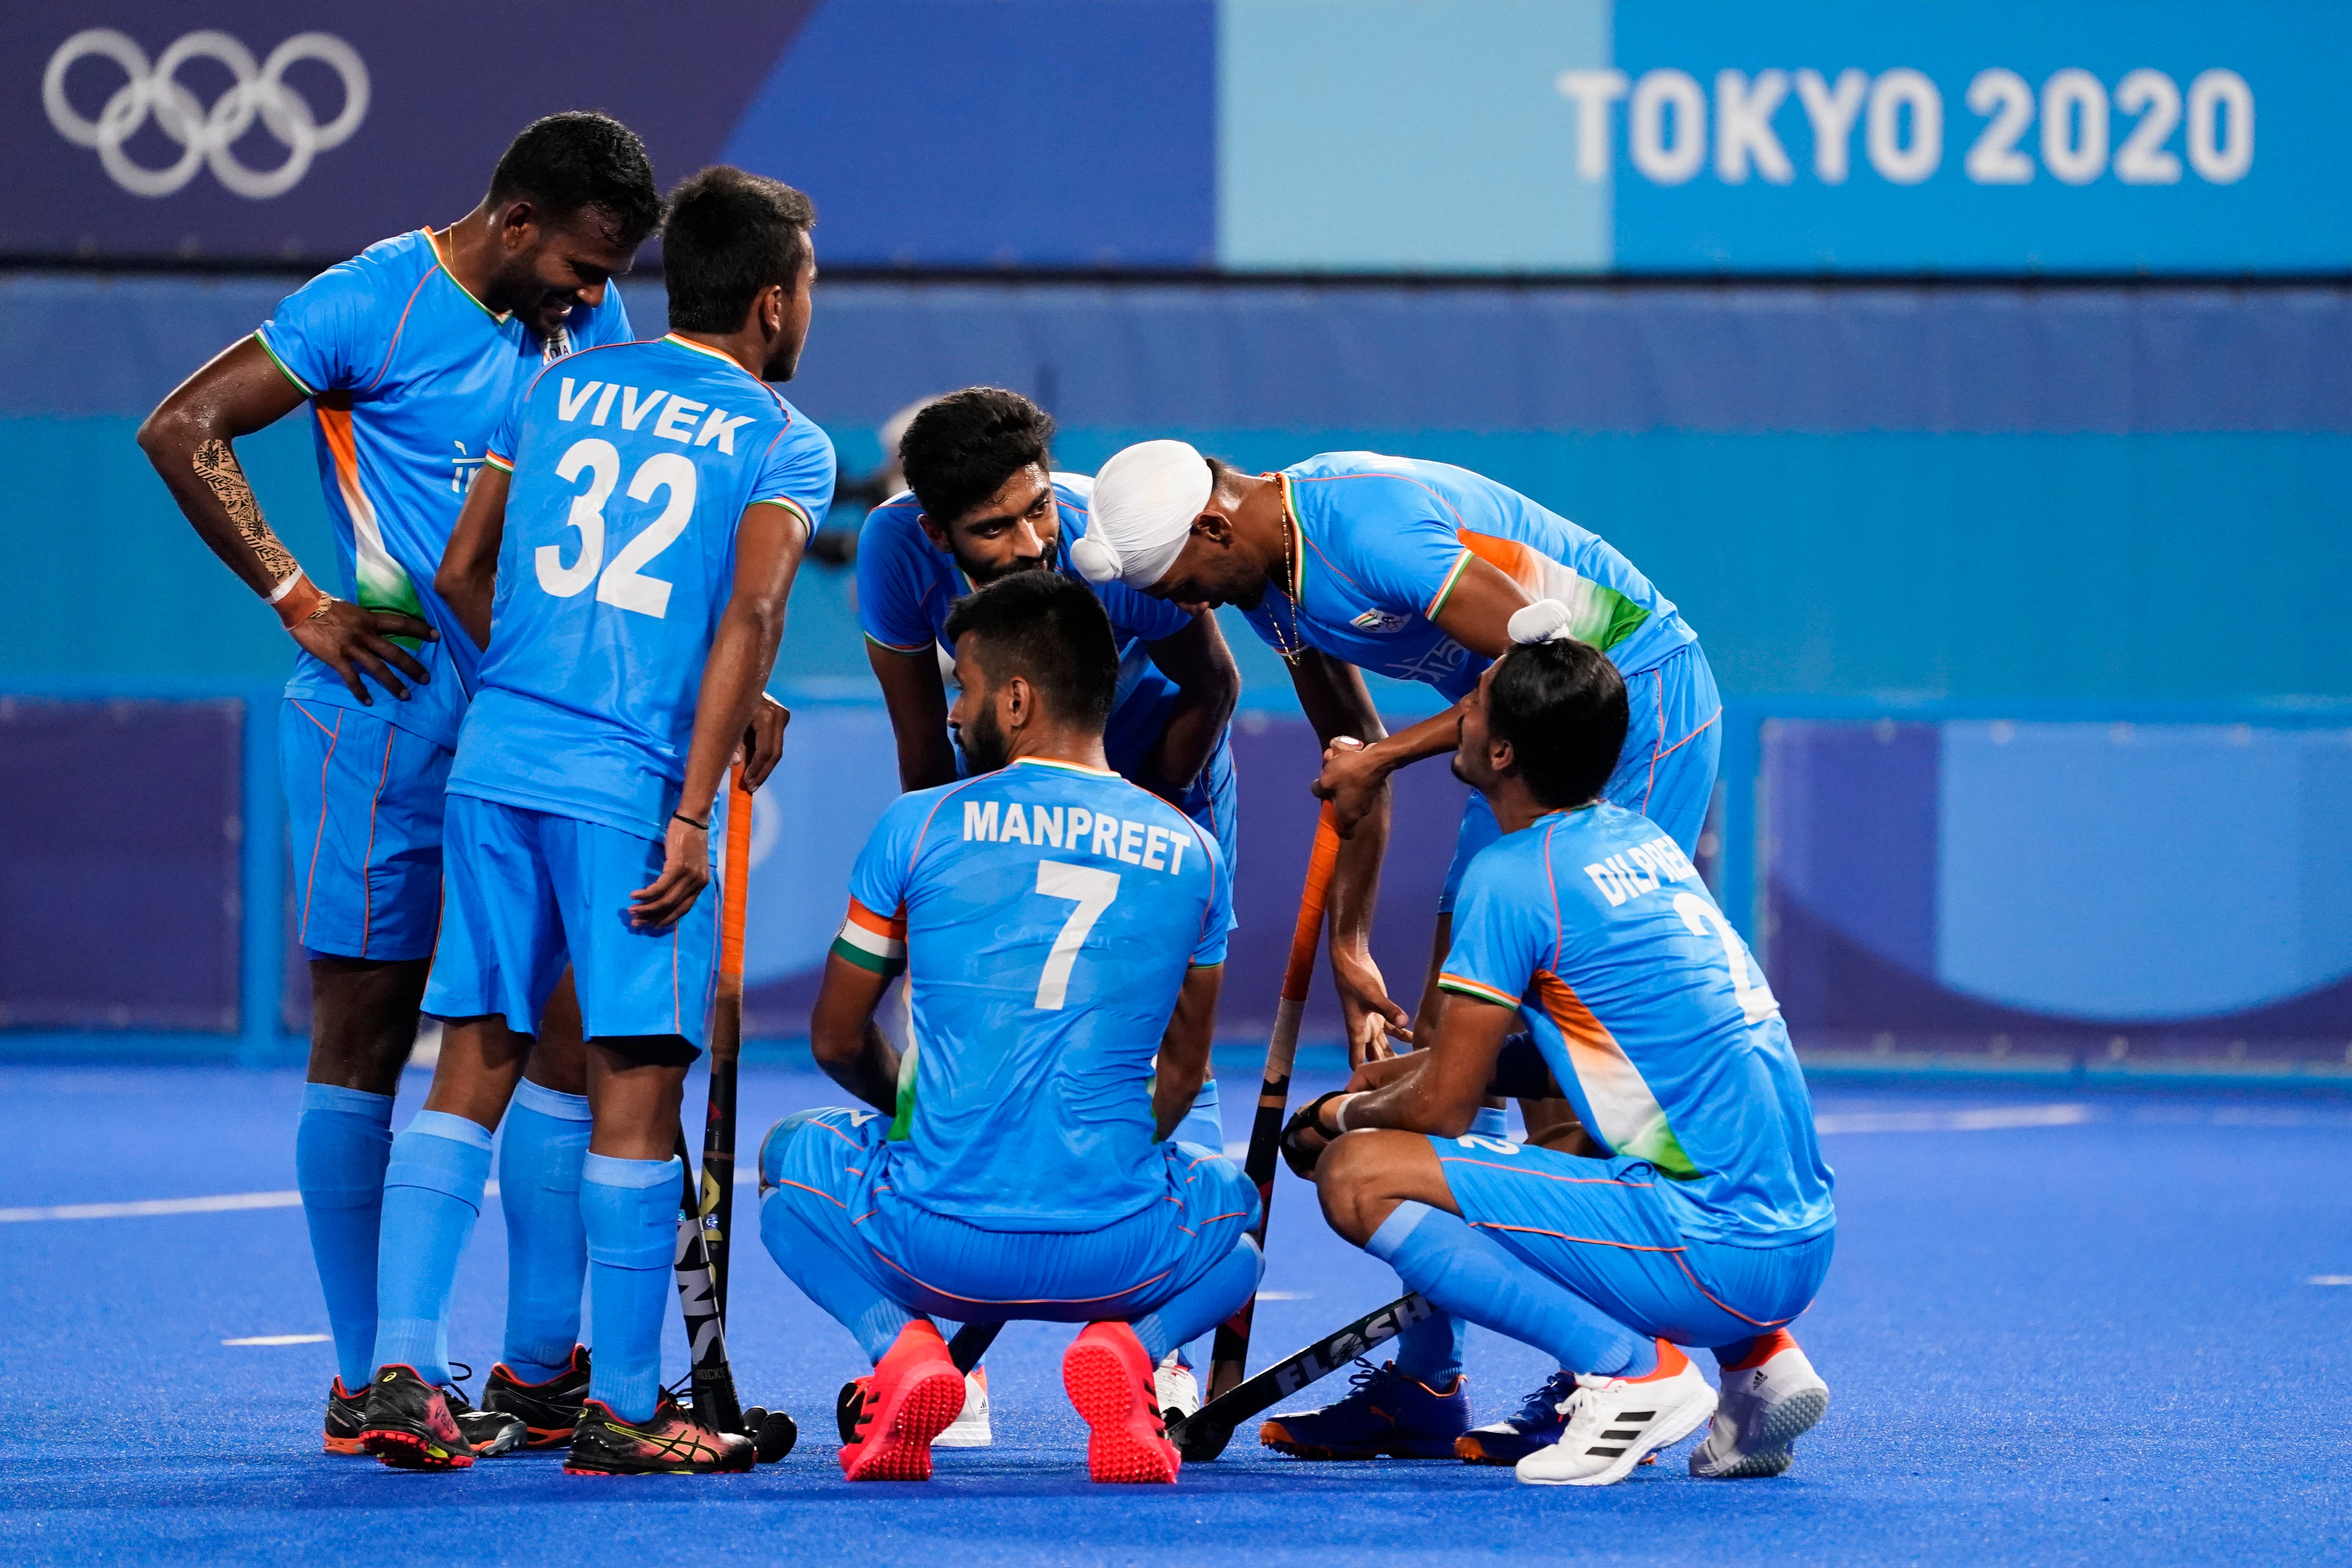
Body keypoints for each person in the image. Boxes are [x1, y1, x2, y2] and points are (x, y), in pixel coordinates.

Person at [135, 111, 670, 1458]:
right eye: (581, 265)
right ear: (517, 222)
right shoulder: (374, 299)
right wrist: (296, 595)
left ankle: (535, 1368)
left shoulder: (585, 331)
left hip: (538, 725)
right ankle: (374, 1372)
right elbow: (183, 424)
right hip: (387, 714)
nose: (596, 296)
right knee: (367, 1030)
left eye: (613, 276)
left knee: (548, 1027)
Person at [1076, 440, 1722, 1438]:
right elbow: (1355, 765)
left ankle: (1628, 1365)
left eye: (1187, 585)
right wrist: (1351, 945)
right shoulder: (1267, 588)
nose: (1190, 606)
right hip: (1512, 730)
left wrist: (1384, 754)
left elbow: (1550, 659)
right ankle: (1428, 1381)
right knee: (1447, 1032)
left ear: (1212, 527)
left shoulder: (1362, 522)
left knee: (1549, 1036)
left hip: (1627, 701)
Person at [354, 165, 834, 1474]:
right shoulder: (783, 438)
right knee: (634, 1075)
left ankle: (401, 1368)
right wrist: (691, 811)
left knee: (476, 1055)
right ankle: (625, 1402)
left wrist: (532, 678)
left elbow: (459, 568)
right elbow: (752, 617)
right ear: (774, 300)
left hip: (498, 757)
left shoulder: (553, 385)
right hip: (630, 786)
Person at [1272, 627, 1833, 1486]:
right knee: (1550, 1139)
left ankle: (1627, 1369)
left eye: (1472, 706)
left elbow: (1441, 1116)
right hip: (1797, 1237)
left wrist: (1336, 1114)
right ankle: (1758, 1364)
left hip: (1712, 1249)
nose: (1456, 719)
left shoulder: (1510, 874)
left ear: (1500, 750)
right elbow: (1579, 1062)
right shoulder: (1641, 843)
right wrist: (1416, 1077)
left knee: (1357, 1172)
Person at [759, 570, 1259, 1485]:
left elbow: (834, 1040)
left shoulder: (916, 824)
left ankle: (903, 1352)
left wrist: (920, 1111)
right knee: (1242, 1219)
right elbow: (1185, 1078)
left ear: (1018, 698)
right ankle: (1130, 1350)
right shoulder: (1194, 849)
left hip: (929, 1240)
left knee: (787, 1163)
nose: (954, 712)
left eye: (966, 686)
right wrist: (1084, 1156)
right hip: (1117, 1249)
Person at [857, 388, 1243, 1429]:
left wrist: (1138, 833)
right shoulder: (895, 556)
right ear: (937, 532)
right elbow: (921, 745)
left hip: (1164, 787)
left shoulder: (1107, 547)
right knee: (978, 1034)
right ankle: (953, 1355)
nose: (1034, 539)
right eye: (997, 526)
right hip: (1002, 800)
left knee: (1166, 1043)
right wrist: (933, 888)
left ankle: (1156, 1351)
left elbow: (1214, 688)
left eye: (1038, 509)